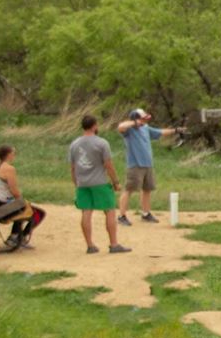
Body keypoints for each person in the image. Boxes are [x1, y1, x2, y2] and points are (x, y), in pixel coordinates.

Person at [68, 114, 128, 254]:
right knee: (109, 211)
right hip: (100, 182)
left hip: (82, 183)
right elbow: (108, 165)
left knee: (86, 212)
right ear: (94, 126)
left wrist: (76, 183)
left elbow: (73, 167)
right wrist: (115, 182)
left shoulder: (74, 144)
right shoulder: (101, 143)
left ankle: (90, 245)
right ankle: (113, 244)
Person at [114, 106, 179, 222]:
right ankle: (121, 216)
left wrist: (176, 131)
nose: (145, 121)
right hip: (135, 164)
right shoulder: (129, 130)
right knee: (129, 190)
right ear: (136, 119)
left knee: (147, 189)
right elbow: (120, 127)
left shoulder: (145, 128)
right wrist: (134, 123)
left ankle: (146, 213)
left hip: (147, 164)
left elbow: (160, 132)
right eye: (143, 119)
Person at [0, 143, 46, 251]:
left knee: (19, 207)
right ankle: (20, 238)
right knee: (37, 213)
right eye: (13, 153)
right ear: (8, 155)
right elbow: (14, 191)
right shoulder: (9, 169)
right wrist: (23, 201)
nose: (14, 155)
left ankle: (14, 236)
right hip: (3, 207)